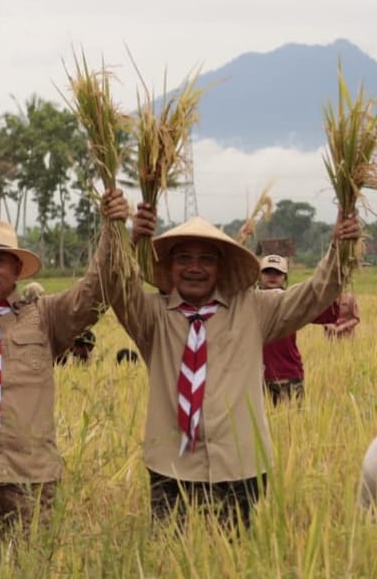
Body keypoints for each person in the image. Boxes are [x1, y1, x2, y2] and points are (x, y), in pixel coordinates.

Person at [118, 205, 360, 528]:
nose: (194, 267)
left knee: (238, 552)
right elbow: (117, 288)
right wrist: (131, 242)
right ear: (169, 266)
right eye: (184, 258)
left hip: (240, 466)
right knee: (168, 552)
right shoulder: (151, 316)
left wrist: (339, 247)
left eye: (206, 259)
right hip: (171, 468)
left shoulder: (254, 309)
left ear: (220, 268)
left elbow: (314, 294)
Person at [0, 188, 128, 531]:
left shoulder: (46, 316)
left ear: (17, 268)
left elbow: (97, 291)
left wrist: (113, 228)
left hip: (32, 477)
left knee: (34, 558)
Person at [257, 254, 342, 404]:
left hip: (287, 377)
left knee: (291, 419)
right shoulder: (250, 302)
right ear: (259, 276)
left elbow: (329, 313)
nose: (272, 276)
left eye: (277, 273)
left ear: (285, 278)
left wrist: (336, 291)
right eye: (267, 272)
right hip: (255, 379)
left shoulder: (292, 302)